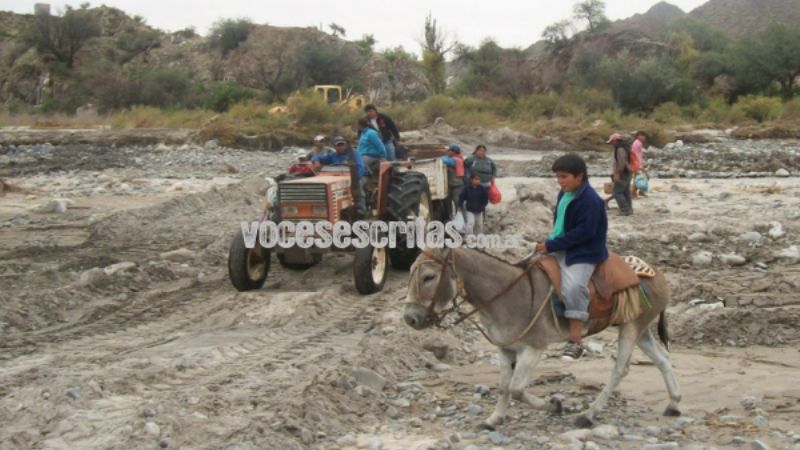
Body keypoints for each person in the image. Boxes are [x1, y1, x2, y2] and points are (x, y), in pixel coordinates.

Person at [535, 153, 608, 361]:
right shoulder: (565, 194)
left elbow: (585, 232)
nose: (560, 181)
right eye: (558, 177)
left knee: (574, 288)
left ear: (580, 176)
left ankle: (576, 340)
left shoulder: (590, 200)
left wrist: (552, 245)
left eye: (564, 177)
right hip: (560, 246)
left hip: (582, 252)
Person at [313, 136, 368, 216]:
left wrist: (354, 179)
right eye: (338, 145)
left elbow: (360, 168)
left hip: (358, 176)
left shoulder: (354, 154)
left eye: (342, 144)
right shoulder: (333, 155)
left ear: (346, 145)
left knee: (358, 186)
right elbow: (317, 157)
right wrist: (315, 160)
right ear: (334, 147)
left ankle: (361, 210)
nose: (340, 147)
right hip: (339, 175)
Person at [607, 133, 633, 216]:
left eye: (611, 142)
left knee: (617, 192)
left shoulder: (619, 149)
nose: (611, 144)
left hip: (623, 174)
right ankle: (629, 209)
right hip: (627, 173)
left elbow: (621, 163)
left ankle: (624, 210)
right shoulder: (625, 148)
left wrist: (617, 174)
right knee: (625, 192)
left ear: (615, 141)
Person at [441, 143, 465, 209]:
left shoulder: (455, 160)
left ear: (453, 152)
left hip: (457, 185)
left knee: (457, 200)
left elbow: (443, 160)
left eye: (449, 151)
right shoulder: (458, 157)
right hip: (451, 184)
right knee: (448, 201)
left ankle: (461, 213)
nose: (447, 152)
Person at [629, 131, 650, 198]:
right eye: (642, 135)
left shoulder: (638, 143)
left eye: (644, 136)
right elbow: (635, 155)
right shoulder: (637, 143)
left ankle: (638, 192)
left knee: (639, 178)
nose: (644, 137)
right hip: (636, 163)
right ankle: (634, 193)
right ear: (638, 136)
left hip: (637, 163)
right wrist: (639, 166)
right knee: (641, 177)